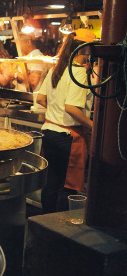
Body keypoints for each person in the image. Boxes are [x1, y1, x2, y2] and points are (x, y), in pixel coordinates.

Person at [36, 29, 96, 213]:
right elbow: (71, 108)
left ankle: (45, 222)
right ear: (84, 50)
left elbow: (40, 99)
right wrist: (94, 126)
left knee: (51, 182)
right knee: (67, 186)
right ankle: (60, 226)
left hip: (49, 132)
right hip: (68, 137)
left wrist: (54, 110)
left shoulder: (57, 68)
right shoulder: (78, 73)